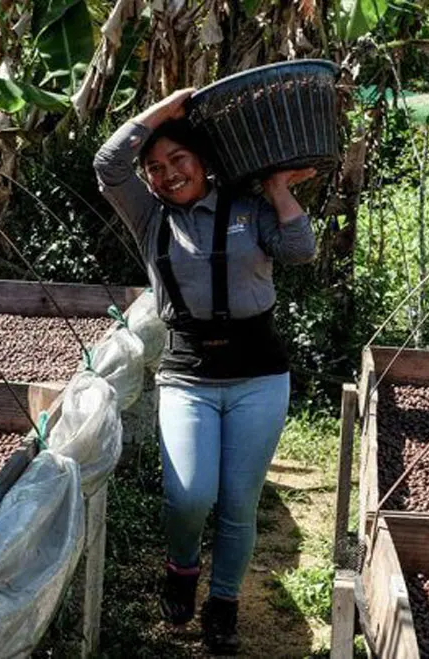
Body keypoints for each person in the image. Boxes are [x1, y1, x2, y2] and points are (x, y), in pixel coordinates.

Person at [93, 87, 317, 654]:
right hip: (188, 374)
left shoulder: (246, 209)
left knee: (239, 502)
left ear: (203, 162)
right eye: (156, 168)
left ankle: (223, 602)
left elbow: (298, 251)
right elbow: (107, 162)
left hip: (258, 377)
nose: (168, 175)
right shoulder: (149, 219)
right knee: (189, 495)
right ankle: (182, 566)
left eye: (179, 160)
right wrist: (163, 110)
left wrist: (278, 190)